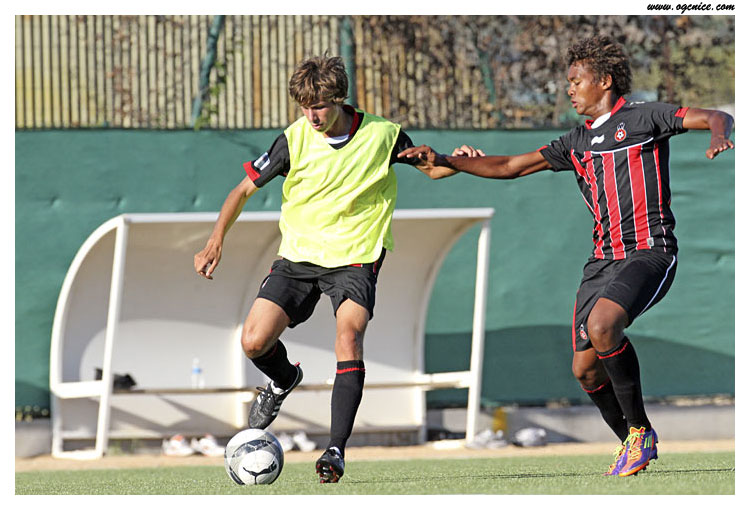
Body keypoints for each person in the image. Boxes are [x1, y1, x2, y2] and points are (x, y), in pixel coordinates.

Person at [398, 34, 733, 477]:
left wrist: (718, 134)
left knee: (603, 325)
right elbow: (511, 166)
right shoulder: (576, 142)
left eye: (577, 81)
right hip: (602, 262)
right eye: (568, 82)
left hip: (650, 251)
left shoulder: (645, 117)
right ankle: (632, 442)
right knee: (586, 371)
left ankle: (640, 433)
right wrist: (446, 159)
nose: (569, 89)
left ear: (605, 80)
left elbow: (716, 115)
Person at [193, 55, 468, 483]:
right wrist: (215, 240)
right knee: (253, 341)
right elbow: (243, 189)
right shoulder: (293, 139)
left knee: (349, 338)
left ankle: (335, 450)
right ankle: (284, 379)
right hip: (299, 256)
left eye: (319, 105)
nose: (312, 116)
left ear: (339, 99)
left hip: (357, 255)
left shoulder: (383, 135)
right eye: (304, 107)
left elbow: (432, 169)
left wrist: (460, 160)